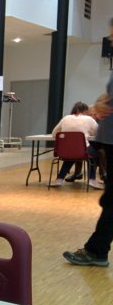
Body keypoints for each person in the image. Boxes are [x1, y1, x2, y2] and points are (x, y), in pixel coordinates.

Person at [64, 86, 113, 267]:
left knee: (111, 202)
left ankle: (96, 251)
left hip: (106, 142)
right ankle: (96, 250)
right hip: (106, 142)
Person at [49, 101, 102, 190]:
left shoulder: (65, 118)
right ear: (85, 111)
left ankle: (59, 179)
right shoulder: (89, 119)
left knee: (71, 156)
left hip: (65, 151)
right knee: (94, 154)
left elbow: (54, 133)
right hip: (82, 150)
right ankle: (92, 179)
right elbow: (98, 133)